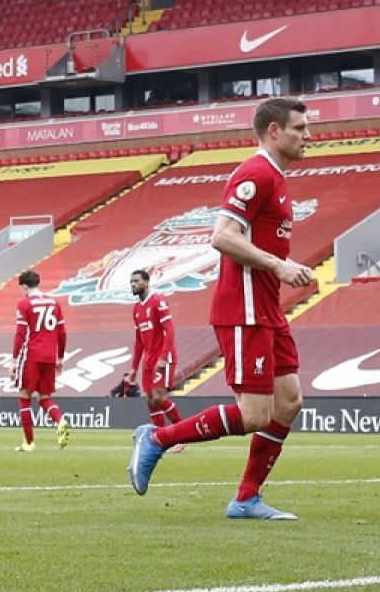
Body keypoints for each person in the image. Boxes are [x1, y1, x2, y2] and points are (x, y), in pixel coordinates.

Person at [128, 97, 315, 520]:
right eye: (300, 128)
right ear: (274, 131)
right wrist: (279, 265)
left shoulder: (278, 178)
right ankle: (157, 439)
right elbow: (222, 237)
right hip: (244, 308)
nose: (309, 136)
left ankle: (246, 499)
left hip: (267, 307)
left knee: (288, 402)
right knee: (254, 415)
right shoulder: (256, 173)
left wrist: (280, 270)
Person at [11, 269, 70, 452]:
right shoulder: (54, 303)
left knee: (24, 395)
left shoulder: (25, 304)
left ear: (24, 286)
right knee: (44, 397)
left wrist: (14, 359)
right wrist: (60, 356)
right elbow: (62, 332)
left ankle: (29, 443)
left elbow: (21, 334)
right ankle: (60, 420)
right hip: (50, 356)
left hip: (32, 355)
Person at [127, 270, 182, 432]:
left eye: (136, 281)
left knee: (158, 397)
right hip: (149, 358)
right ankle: (160, 437)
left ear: (146, 282)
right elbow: (139, 341)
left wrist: (164, 357)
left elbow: (170, 330)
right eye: (131, 282)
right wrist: (133, 369)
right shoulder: (136, 308)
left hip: (163, 356)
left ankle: (181, 432)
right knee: (150, 399)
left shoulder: (158, 301)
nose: (133, 284)